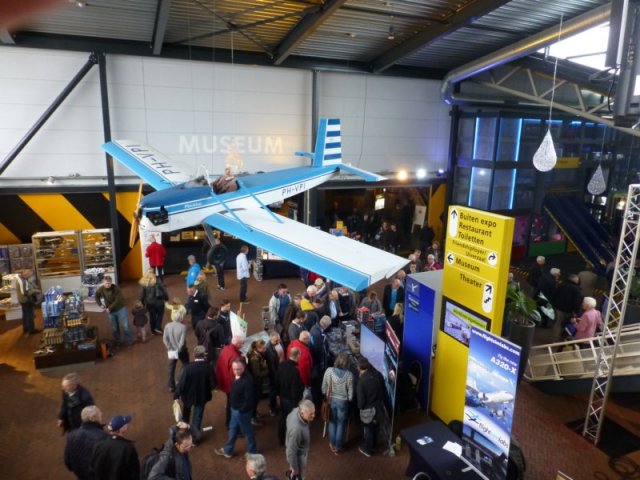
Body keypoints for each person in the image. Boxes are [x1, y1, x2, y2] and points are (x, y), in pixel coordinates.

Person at [215, 357, 258, 458]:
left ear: (244, 367)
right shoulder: (238, 376)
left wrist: (241, 410)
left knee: (247, 432)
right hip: (235, 409)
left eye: (238, 369)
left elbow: (249, 399)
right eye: (234, 369)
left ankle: (252, 453)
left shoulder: (247, 381)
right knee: (233, 429)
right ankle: (228, 450)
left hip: (241, 412)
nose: (236, 371)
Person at [175, 345, 216, 444]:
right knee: (197, 416)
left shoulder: (187, 368)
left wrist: (176, 395)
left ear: (194, 355)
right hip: (202, 396)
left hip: (188, 396)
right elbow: (213, 384)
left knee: (186, 413)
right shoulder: (209, 367)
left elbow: (181, 384)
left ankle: (184, 433)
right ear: (204, 355)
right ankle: (194, 439)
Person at [322, 351, 354, 454]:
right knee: (341, 423)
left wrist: (326, 394)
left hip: (331, 400)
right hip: (343, 402)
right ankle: (338, 446)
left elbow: (323, 388)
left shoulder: (329, 371)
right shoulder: (349, 375)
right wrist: (349, 399)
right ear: (347, 363)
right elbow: (351, 393)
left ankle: (332, 444)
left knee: (332, 422)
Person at [90, 414, 140, 480]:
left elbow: (92, 470)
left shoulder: (98, 445)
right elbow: (134, 473)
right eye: (125, 424)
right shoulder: (128, 448)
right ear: (122, 429)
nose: (127, 425)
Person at [64, 405, 108, 480]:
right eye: (99, 413)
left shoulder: (71, 435)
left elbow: (68, 462)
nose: (102, 413)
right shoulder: (103, 436)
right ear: (92, 418)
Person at [356, 356, 386, 457]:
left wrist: (360, 408)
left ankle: (368, 450)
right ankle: (374, 445)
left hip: (368, 411)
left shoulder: (361, 382)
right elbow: (384, 391)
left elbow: (361, 403)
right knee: (376, 427)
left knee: (368, 429)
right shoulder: (378, 374)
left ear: (358, 367)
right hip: (379, 408)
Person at [95, 275, 134, 348]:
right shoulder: (101, 289)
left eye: (109, 283)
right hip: (111, 311)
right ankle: (117, 341)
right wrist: (100, 304)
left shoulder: (116, 288)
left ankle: (129, 341)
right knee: (114, 328)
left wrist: (109, 308)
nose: (108, 285)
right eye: (106, 283)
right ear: (103, 283)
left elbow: (118, 300)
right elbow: (96, 296)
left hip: (120, 309)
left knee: (125, 326)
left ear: (111, 282)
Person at [276, 346, 304, 445]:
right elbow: (295, 389)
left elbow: (276, 381)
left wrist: (278, 395)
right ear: (298, 356)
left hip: (282, 397)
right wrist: (296, 404)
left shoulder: (281, 365)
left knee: (283, 418)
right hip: (291, 400)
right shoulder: (295, 370)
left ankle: (281, 439)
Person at [216, 335, 245, 429]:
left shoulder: (226, 349)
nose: (243, 345)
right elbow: (235, 374)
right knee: (234, 405)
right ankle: (232, 424)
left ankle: (229, 423)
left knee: (230, 403)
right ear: (237, 344)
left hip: (225, 381)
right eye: (242, 343)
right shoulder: (234, 356)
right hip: (231, 385)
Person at [285, 399, 315, 480]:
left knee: (293, 473)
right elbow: (291, 452)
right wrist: (295, 469)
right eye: (311, 414)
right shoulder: (297, 430)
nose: (314, 415)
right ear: (302, 413)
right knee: (299, 476)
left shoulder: (296, 410)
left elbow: (288, 418)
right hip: (299, 456)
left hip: (296, 450)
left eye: (314, 412)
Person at [164, 307, 189, 392]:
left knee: (171, 367)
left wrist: (170, 348)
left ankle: (171, 385)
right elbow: (182, 342)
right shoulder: (183, 327)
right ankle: (179, 380)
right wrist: (178, 350)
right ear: (180, 318)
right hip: (181, 350)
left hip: (171, 350)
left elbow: (165, 339)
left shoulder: (167, 326)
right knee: (185, 364)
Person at [247, 339, 269, 426]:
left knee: (256, 399)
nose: (265, 350)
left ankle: (254, 413)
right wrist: (267, 371)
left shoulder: (255, 354)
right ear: (258, 348)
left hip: (255, 381)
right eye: (263, 348)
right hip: (256, 382)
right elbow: (257, 373)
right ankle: (253, 417)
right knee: (255, 399)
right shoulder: (254, 359)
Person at [140, 268, 168, 335]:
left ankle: (153, 331)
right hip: (159, 302)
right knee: (160, 314)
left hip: (150, 303)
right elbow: (164, 290)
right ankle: (158, 327)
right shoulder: (158, 280)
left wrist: (142, 302)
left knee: (152, 316)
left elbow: (142, 294)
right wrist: (166, 298)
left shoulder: (145, 282)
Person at [265, 331, 284, 416]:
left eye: (279, 340)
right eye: (276, 341)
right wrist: (277, 376)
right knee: (273, 392)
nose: (278, 342)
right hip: (274, 375)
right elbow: (271, 365)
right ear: (271, 340)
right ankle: (272, 408)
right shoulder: (268, 349)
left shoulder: (279, 342)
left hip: (281, 370)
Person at [17, 268, 38, 335]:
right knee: (30, 315)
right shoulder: (23, 281)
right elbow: (25, 292)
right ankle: (31, 329)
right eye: (29, 276)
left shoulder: (21, 279)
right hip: (26, 300)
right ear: (26, 274)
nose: (30, 277)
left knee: (25, 315)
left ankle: (26, 328)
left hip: (23, 300)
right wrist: (35, 291)